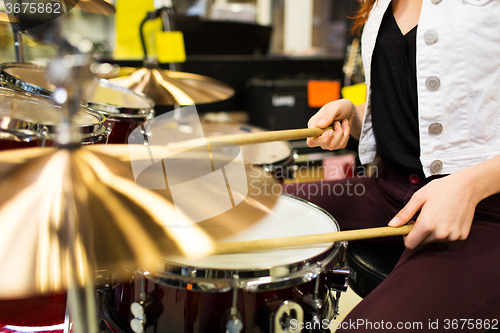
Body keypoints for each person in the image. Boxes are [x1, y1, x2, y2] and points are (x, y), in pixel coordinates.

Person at [288, 0, 500, 330]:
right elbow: (423, 110)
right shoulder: (380, 4)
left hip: (485, 212)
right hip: (392, 188)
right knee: (253, 209)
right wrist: (356, 115)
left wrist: (470, 185)